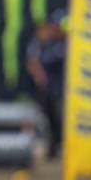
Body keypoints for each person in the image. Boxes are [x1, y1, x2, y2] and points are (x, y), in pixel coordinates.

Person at [26, 9, 67, 159]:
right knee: (48, 118)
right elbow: (32, 62)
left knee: (60, 118)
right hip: (48, 90)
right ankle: (52, 147)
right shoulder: (42, 42)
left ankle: (60, 146)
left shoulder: (69, 43)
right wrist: (41, 79)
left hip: (63, 90)